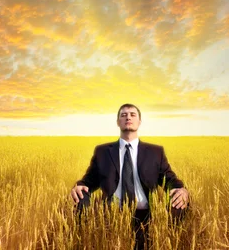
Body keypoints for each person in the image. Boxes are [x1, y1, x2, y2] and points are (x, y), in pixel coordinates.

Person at [70, 103, 190, 250]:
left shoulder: (155, 152)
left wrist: (181, 189)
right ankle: (86, 242)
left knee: (179, 200)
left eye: (133, 114)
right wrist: (79, 185)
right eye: (123, 115)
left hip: (147, 215)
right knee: (80, 196)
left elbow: (170, 179)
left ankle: (167, 242)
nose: (128, 117)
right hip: (111, 214)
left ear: (139, 122)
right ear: (117, 122)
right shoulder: (102, 151)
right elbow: (89, 180)